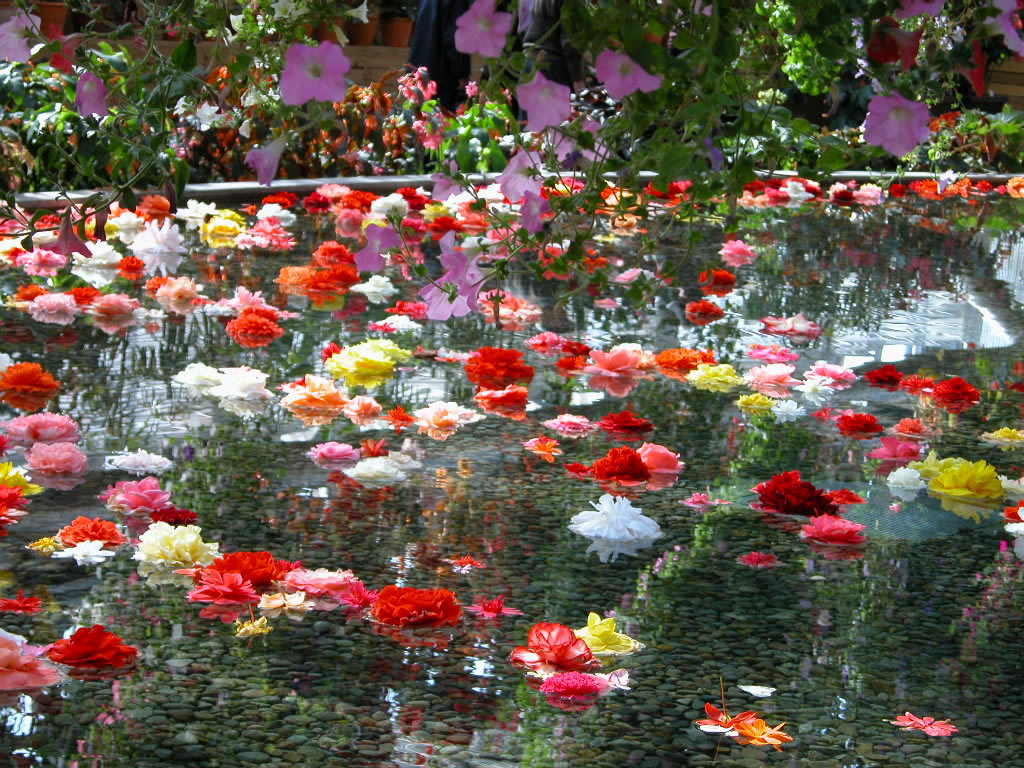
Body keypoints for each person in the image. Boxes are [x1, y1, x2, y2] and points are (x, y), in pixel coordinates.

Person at [408, 0, 472, 111]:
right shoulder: (456, 3)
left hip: (419, 69)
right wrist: (462, 73)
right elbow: (455, 38)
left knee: (419, 116)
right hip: (441, 77)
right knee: (441, 118)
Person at [520, 0, 584, 92]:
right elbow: (569, 39)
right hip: (552, 66)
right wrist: (577, 77)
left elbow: (519, 31)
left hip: (527, 60)